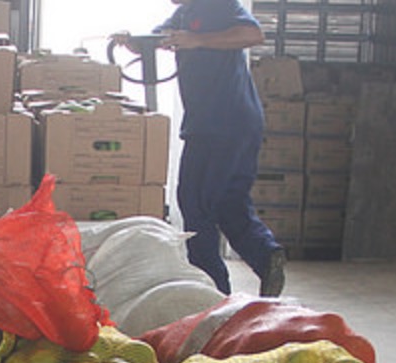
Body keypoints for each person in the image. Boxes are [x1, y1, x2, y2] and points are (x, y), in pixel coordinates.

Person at [115, 0, 286, 298]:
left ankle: (211, 291)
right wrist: (131, 41)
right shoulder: (184, 14)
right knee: (228, 201)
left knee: (196, 203)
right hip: (215, 123)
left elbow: (252, 34)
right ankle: (266, 255)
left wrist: (198, 40)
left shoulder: (219, 6)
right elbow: (157, 39)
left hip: (225, 121)